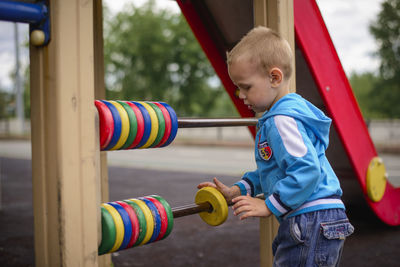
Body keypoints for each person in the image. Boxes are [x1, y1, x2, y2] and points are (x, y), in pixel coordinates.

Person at [198, 26, 354, 266]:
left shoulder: (282, 121)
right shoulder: (283, 116)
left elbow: (307, 170)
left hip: (310, 218)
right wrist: (238, 191)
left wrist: (268, 205)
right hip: (314, 217)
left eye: (246, 86)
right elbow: (273, 171)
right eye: (237, 87)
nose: (240, 94)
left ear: (274, 77)